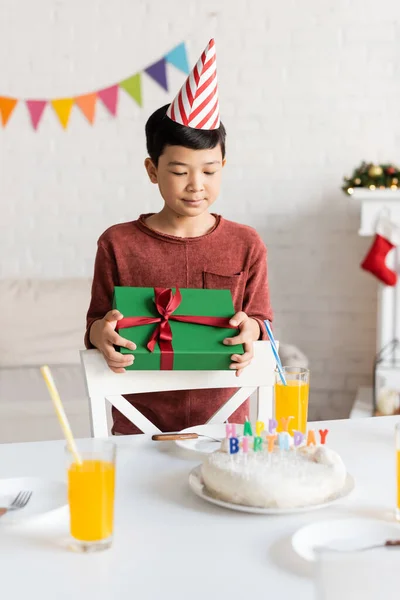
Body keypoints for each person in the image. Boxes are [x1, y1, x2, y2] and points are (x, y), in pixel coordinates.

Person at [85, 39, 273, 435]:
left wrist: (251, 329)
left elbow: (262, 322)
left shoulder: (246, 243)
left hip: (226, 424)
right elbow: (94, 325)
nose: (195, 185)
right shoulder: (117, 243)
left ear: (223, 166)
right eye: (178, 171)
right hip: (139, 424)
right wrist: (101, 332)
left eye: (208, 170)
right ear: (152, 170)